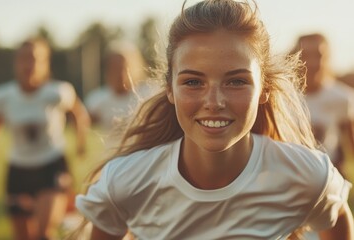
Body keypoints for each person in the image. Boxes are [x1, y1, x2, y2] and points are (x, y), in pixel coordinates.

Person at [71, 0, 354, 239]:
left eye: (236, 81)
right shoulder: (126, 181)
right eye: (193, 82)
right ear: (169, 88)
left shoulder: (307, 175)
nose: (214, 102)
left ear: (264, 89)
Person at [0, 37, 91, 240]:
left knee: (43, 234)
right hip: (18, 170)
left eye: (35, 58)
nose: (29, 64)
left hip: (52, 167)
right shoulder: (2, 96)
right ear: (16, 63)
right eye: (24, 58)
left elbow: (79, 114)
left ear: (45, 63)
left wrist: (81, 142)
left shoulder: (58, 91)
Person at [292, 33, 354, 177]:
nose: (312, 63)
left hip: (329, 179)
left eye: (318, 56)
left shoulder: (342, 97)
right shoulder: (282, 97)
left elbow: (350, 144)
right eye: (305, 55)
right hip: (292, 177)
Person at [84, 41, 159, 149]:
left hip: (143, 156)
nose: (120, 74)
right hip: (113, 158)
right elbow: (83, 122)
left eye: (124, 68)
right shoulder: (98, 99)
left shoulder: (149, 94)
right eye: (114, 68)